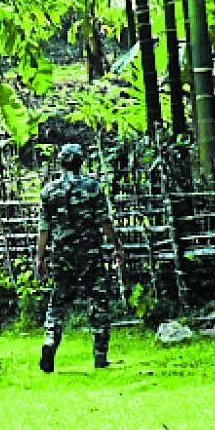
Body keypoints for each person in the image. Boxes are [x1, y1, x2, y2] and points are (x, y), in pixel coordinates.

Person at [34, 143, 125, 372]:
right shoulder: (92, 188)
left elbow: (44, 229)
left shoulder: (49, 191)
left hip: (61, 255)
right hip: (89, 254)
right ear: (81, 161)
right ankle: (100, 356)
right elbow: (104, 221)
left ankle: (50, 340)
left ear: (60, 163)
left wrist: (40, 258)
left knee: (57, 302)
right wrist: (117, 246)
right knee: (98, 303)